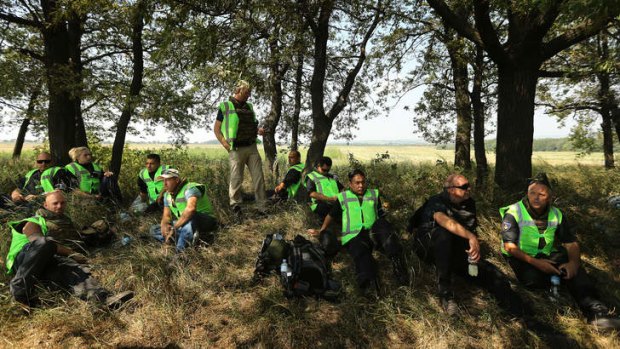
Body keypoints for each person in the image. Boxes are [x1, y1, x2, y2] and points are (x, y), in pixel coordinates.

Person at [500, 173, 620, 330]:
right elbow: (510, 247)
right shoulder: (514, 212)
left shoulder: (557, 214)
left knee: (575, 270)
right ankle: (557, 280)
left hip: (547, 255)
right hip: (521, 257)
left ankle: (598, 314)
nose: (536, 197)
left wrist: (574, 264)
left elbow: (571, 244)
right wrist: (539, 264)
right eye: (532, 193)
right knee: (533, 279)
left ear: (549, 196)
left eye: (541, 194)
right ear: (527, 194)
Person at [411, 174, 526, 317]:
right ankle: (445, 293)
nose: (469, 189)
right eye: (464, 187)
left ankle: (513, 306)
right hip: (429, 247)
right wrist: (471, 237)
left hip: (454, 250)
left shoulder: (469, 203)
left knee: (492, 273)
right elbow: (442, 220)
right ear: (451, 189)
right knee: (443, 234)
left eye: (469, 185)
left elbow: (468, 229)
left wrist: (473, 251)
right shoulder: (437, 201)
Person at [5, 191, 133, 309]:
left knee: (73, 269)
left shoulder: (65, 221)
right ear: (45, 205)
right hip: (24, 260)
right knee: (46, 243)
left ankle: (101, 299)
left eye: (62, 203)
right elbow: (38, 241)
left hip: (47, 263)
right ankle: (19, 286)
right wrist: (72, 253)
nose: (59, 206)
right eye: (55, 203)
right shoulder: (32, 221)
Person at [309, 169, 408, 294]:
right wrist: (321, 230)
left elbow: (380, 214)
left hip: (373, 232)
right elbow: (331, 215)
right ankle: (370, 285)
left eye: (363, 182)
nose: (361, 185)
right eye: (357, 183)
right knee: (362, 254)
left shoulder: (374, 194)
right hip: (354, 236)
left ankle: (398, 264)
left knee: (383, 224)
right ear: (350, 184)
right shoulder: (343, 197)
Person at [214, 80, 266, 214]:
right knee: (236, 178)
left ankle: (262, 207)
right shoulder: (225, 106)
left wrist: (258, 130)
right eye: (246, 92)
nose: (249, 95)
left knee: (259, 177)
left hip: (252, 147)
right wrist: (226, 145)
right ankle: (236, 206)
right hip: (235, 149)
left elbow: (250, 125)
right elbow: (217, 129)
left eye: (249, 92)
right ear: (238, 91)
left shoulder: (249, 106)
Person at [150, 168, 218, 252]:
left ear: (177, 180)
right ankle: (191, 238)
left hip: (205, 221)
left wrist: (174, 229)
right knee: (154, 229)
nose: (164, 183)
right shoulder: (167, 195)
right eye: (163, 180)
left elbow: (191, 209)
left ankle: (180, 254)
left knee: (190, 218)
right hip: (184, 223)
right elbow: (166, 216)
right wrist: (165, 226)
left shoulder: (190, 188)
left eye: (167, 180)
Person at [305, 156, 344, 221]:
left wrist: (342, 196)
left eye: (328, 170)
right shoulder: (311, 177)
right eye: (324, 170)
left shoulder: (332, 177)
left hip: (335, 203)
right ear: (318, 166)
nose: (326, 172)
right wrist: (330, 199)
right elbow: (312, 193)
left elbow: (342, 188)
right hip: (320, 204)